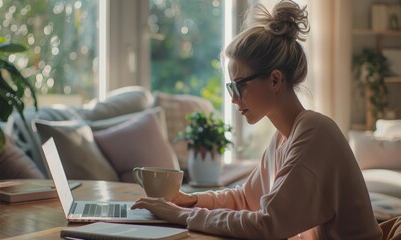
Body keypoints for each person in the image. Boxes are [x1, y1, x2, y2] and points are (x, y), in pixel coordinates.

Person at [132, 0, 383, 239]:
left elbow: (268, 224)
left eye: (239, 87)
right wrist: (191, 200)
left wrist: (183, 215)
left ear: (275, 80)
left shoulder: (315, 132)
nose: (234, 99)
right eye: (231, 89)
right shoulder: (283, 138)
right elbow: (245, 199)